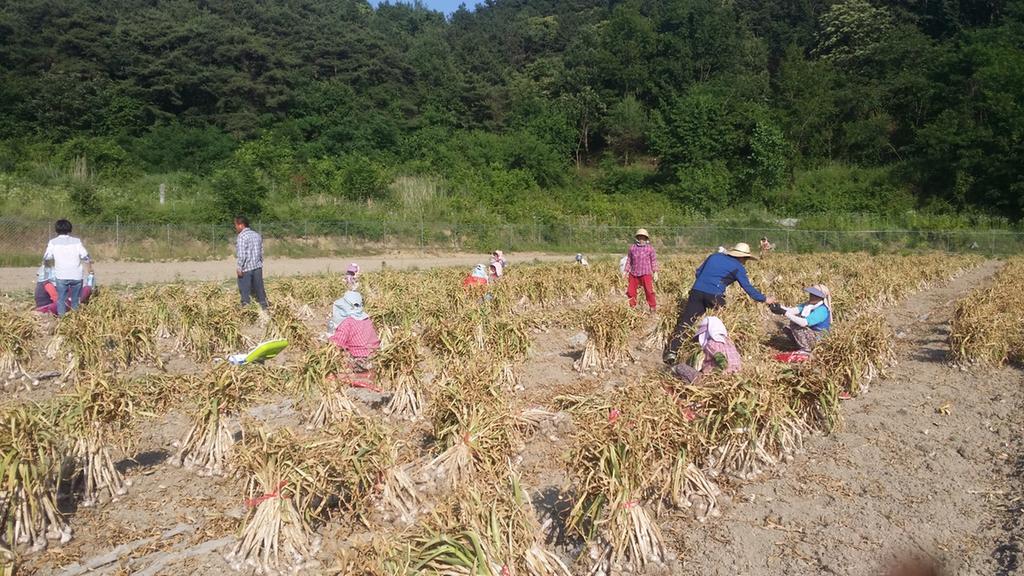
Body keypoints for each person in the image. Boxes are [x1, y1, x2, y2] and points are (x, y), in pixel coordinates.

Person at [663, 242, 775, 364]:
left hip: (696, 291)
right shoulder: (738, 267)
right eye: (746, 259)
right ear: (742, 257)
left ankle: (672, 351)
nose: (745, 262)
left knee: (686, 321)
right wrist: (765, 299)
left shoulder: (714, 256)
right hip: (714, 296)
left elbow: (698, 272)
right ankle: (717, 354)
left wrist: (705, 283)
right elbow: (749, 289)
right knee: (721, 324)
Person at [43, 219, 92, 316]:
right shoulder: (77, 241)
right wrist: (90, 269)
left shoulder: (53, 242)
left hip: (61, 275)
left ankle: (62, 320)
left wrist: (47, 271)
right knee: (75, 300)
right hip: (76, 275)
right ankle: (75, 320)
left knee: (61, 299)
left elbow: (47, 257)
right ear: (70, 229)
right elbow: (85, 256)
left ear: (56, 229)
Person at [670, 316, 742, 384]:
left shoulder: (711, 344)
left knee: (680, 367)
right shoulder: (730, 343)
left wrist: (722, 372)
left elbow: (721, 359)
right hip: (732, 379)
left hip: (711, 381)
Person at [328, 290, 380, 370]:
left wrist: (329, 339)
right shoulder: (367, 319)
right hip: (375, 357)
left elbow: (337, 343)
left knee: (337, 356)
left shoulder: (347, 323)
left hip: (360, 361)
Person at [771, 284, 832, 353]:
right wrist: (778, 307)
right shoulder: (808, 305)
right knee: (787, 328)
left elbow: (804, 323)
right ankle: (800, 344)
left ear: (820, 297)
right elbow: (792, 310)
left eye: (814, 295)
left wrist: (784, 313)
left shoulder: (822, 310)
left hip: (819, 338)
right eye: (811, 294)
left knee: (796, 325)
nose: (811, 296)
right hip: (810, 334)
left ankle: (806, 349)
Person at [234, 216, 268, 311]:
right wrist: (260, 262)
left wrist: (239, 267)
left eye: (236, 225)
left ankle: (246, 309)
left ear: (241, 225)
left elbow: (242, 254)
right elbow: (261, 252)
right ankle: (264, 307)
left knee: (245, 290)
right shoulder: (257, 235)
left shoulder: (242, 237)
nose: (235, 227)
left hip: (246, 268)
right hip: (257, 267)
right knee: (259, 289)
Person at [624, 228, 658, 311]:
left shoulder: (650, 249)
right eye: (640, 237)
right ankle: (632, 308)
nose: (641, 239)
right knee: (631, 291)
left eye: (643, 238)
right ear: (637, 238)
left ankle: (652, 307)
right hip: (634, 273)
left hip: (645, 273)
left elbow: (653, 261)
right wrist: (625, 271)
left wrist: (655, 272)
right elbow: (629, 260)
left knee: (649, 291)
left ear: (646, 239)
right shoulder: (632, 248)